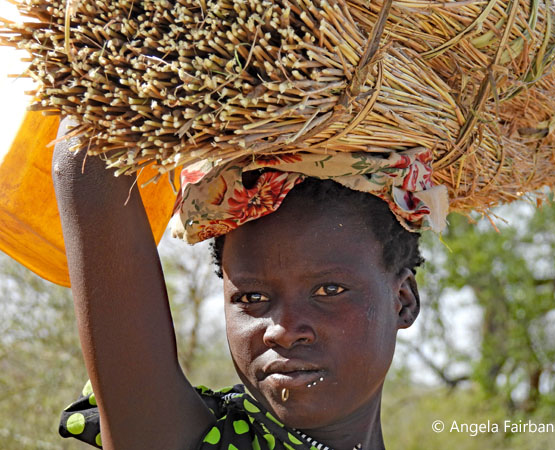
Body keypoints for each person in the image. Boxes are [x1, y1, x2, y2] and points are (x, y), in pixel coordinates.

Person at [52, 116, 434, 449]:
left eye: (328, 290)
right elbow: (87, 157)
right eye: (253, 296)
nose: (282, 332)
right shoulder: (175, 439)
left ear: (402, 300)